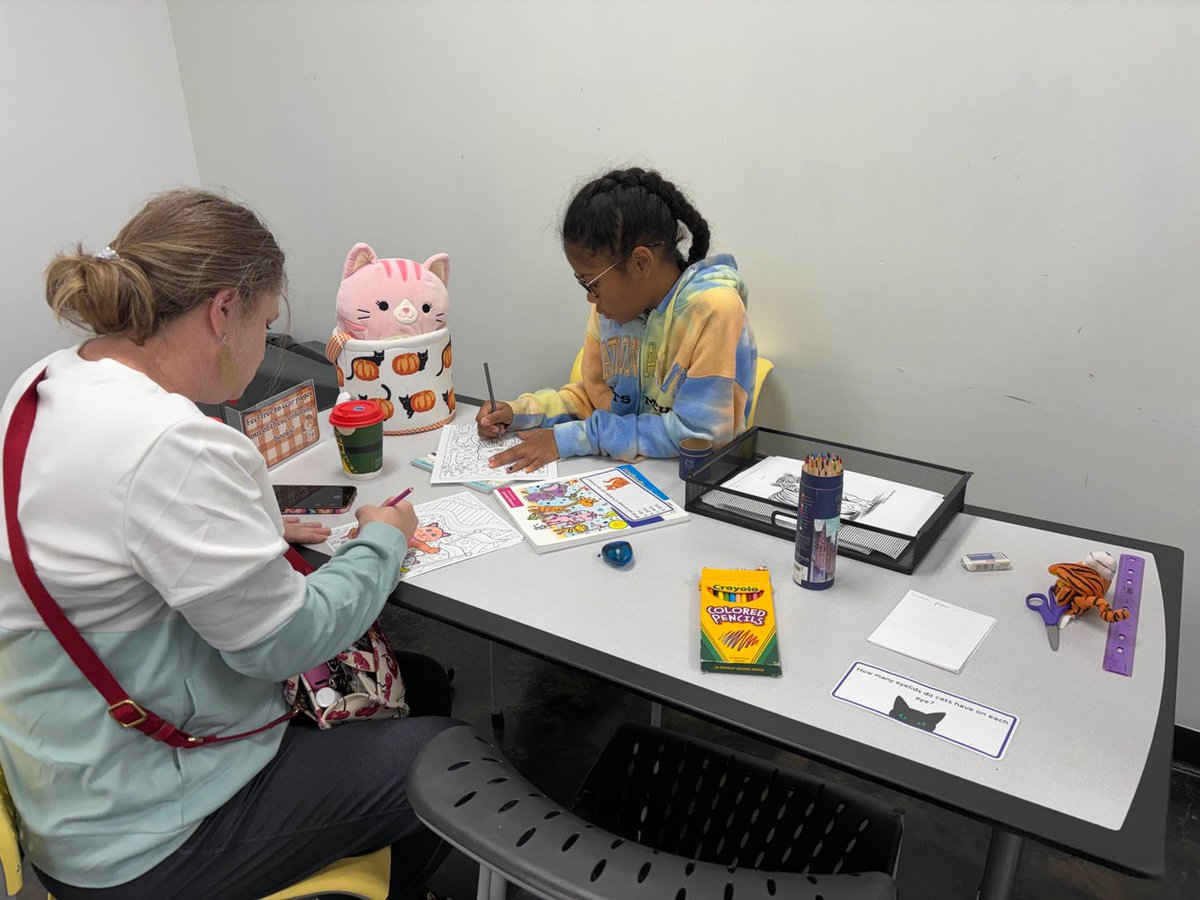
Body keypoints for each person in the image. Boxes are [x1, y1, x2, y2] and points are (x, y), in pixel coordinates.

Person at [0, 189, 457, 900]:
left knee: (420, 679)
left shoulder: (46, 384)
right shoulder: (175, 444)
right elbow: (288, 641)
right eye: (267, 322)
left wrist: (250, 530)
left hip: (68, 781)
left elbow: (112, 527)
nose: (266, 342)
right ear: (223, 312)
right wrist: (383, 541)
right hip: (150, 832)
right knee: (446, 759)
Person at [476, 167, 758, 471]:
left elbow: (701, 436)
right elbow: (592, 398)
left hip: (686, 484)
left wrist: (576, 437)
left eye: (592, 283)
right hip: (620, 476)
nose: (590, 298)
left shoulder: (714, 310)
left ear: (640, 262)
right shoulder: (611, 311)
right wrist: (522, 412)